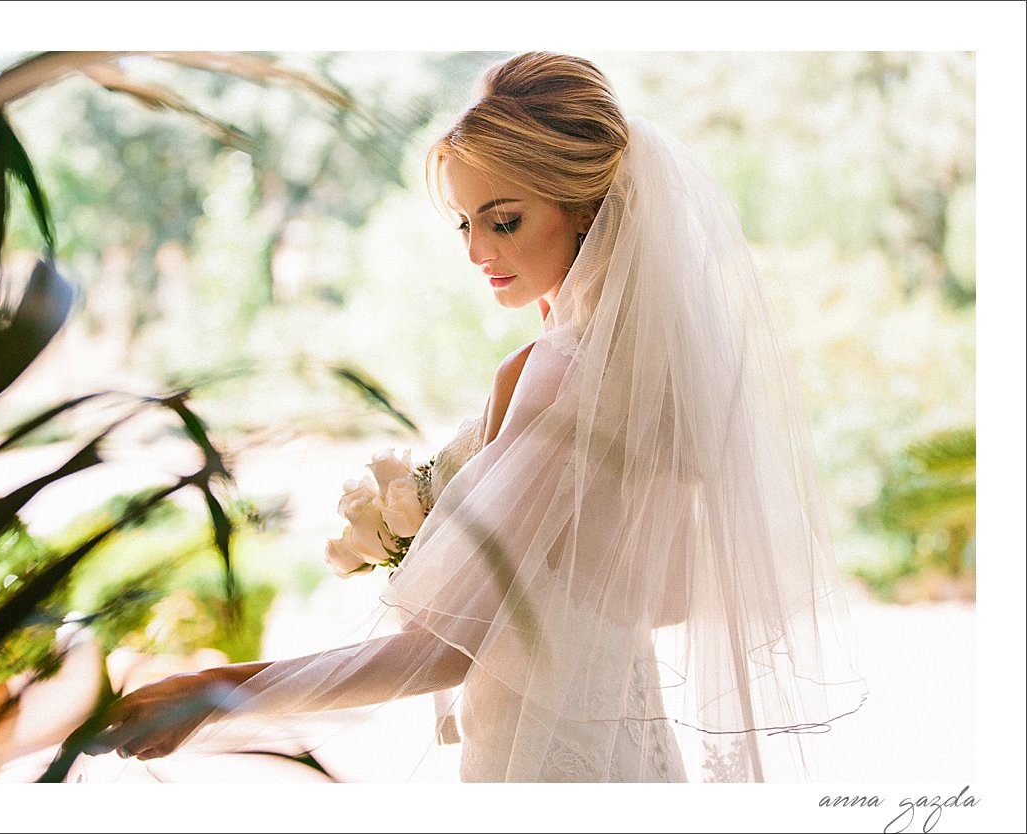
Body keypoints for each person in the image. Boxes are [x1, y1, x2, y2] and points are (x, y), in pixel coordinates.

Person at [83, 52, 867, 783]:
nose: (475, 252)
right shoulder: (645, 373)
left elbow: (444, 653)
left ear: (587, 208)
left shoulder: (558, 373)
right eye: (465, 223)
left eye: (504, 219)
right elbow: (660, 598)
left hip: (549, 764)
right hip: (628, 741)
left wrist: (219, 691)